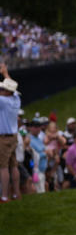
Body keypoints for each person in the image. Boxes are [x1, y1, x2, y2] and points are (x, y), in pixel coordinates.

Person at [0, 63, 21, 202]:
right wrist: (5, 73)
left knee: (3, 167)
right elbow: (12, 86)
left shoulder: (3, 101)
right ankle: (16, 194)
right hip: (13, 137)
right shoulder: (16, 99)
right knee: (14, 166)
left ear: (6, 91)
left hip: (4, 138)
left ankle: (5, 196)